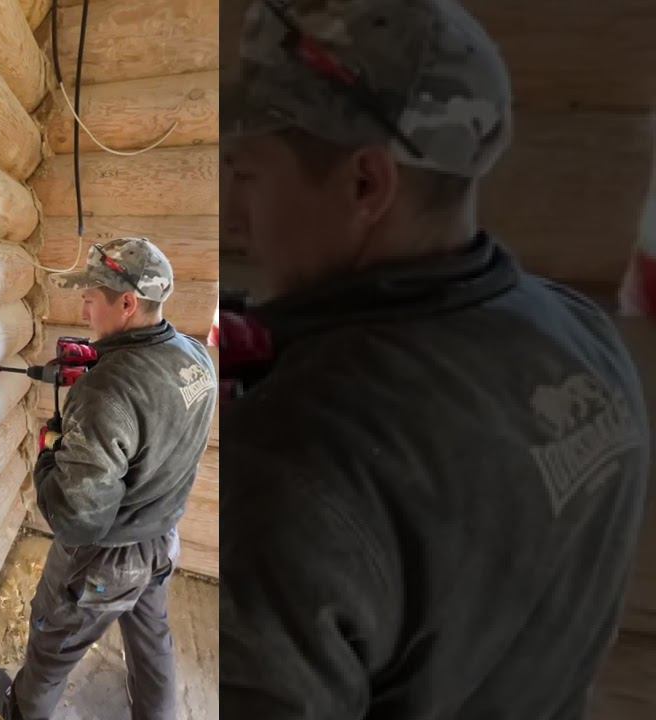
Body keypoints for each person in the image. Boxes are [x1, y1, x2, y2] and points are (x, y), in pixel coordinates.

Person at [220, 0, 652, 717]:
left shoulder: (293, 463)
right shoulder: (581, 334)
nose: (235, 217)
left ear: (366, 183)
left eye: (247, 174)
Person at [0, 237, 217, 720]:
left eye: (90, 299)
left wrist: (52, 450)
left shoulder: (103, 392)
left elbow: (77, 520)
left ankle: (20, 711)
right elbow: (158, 432)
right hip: (161, 540)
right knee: (151, 636)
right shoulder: (195, 357)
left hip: (104, 563)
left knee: (52, 647)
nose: (84, 311)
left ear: (128, 303)